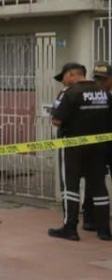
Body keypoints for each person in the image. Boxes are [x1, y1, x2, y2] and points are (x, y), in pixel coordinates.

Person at [48, 62, 110, 241]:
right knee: (98, 186)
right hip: (99, 147)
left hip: (73, 147)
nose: (63, 82)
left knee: (70, 187)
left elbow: (57, 120)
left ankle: (70, 228)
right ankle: (104, 230)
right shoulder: (103, 92)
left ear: (71, 75)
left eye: (64, 78)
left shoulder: (70, 92)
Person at [83, 61, 112, 233]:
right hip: (96, 148)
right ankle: (89, 219)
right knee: (93, 183)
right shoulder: (88, 98)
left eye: (104, 79)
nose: (100, 83)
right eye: (97, 79)